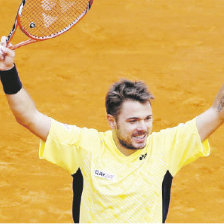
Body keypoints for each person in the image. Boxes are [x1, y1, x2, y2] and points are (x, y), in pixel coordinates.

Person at [0, 35, 224, 223]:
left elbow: (217, 111)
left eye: (148, 119)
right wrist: (8, 70)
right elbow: (28, 117)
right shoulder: (85, 147)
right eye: (133, 121)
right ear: (111, 121)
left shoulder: (166, 147)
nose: (143, 128)